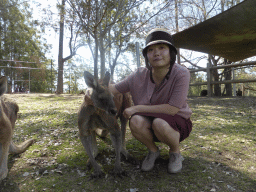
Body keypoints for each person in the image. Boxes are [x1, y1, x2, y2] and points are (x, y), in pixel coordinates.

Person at [109, 28, 192, 173]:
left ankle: (175, 153)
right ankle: (153, 151)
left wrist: (136, 108)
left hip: (175, 122)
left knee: (159, 122)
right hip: (149, 122)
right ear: (147, 55)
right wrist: (93, 87)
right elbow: (114, 88)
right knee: (135, 121)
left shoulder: (181, 73)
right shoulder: (138, 75)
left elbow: (172, 109)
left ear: (171, 52)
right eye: (151, 50)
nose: (156, 53)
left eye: (162, 48)